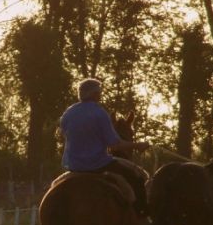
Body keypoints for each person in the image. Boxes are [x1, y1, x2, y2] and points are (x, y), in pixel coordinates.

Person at [59, 78, 151, 216]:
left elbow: (62, 134)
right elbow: (114, 146)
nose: (100, 94)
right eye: (99, 92)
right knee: (137, 178)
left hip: (73, 165)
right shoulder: (100, 113)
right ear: (94, 94)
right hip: (98, 164)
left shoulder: (68, 113)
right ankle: (141, 217)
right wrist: (138, 145)